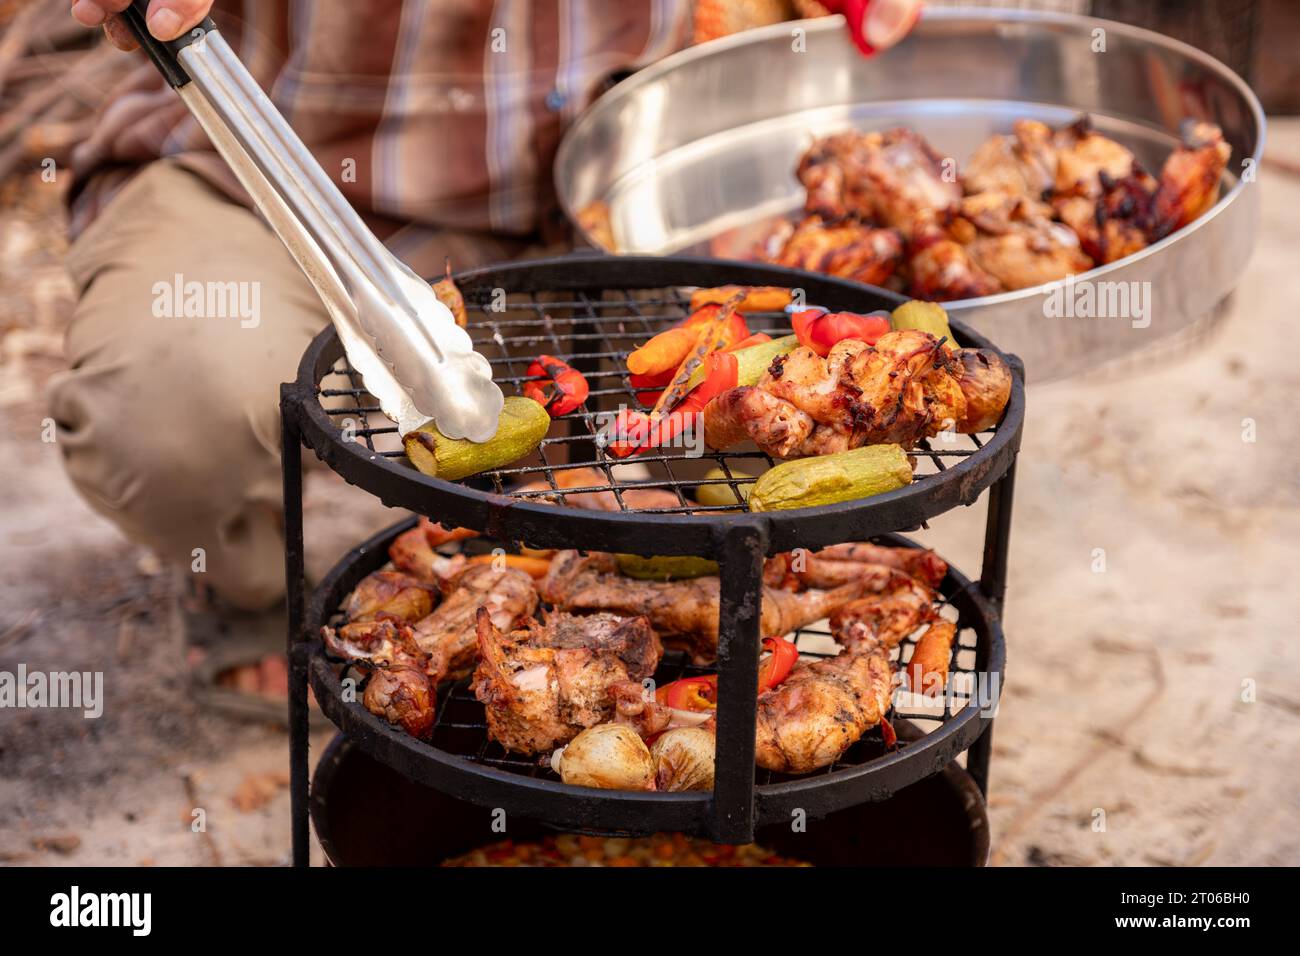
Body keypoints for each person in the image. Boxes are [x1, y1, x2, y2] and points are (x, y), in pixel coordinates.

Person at [55, 0, 916, 706]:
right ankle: (243, 582)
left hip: (616, 188)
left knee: (776, 418)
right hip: (271, 176)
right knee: (164, 407)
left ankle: (662, 576)